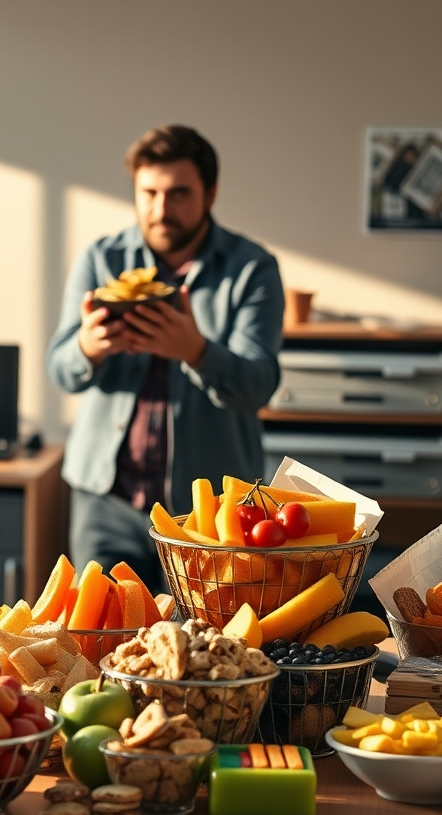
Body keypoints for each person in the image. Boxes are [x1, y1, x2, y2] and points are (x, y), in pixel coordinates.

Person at [47, 124, 284, 582]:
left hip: (212, 511)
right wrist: (88, 348)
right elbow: (60, 368)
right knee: (100, 637)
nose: (160, 210)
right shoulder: (101, 259)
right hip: (106, 499)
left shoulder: (253, 269)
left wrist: (195, 351)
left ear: (210, 194)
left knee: (209, 642)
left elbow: (259, 384)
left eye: (178, 194)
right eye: (149, 192)